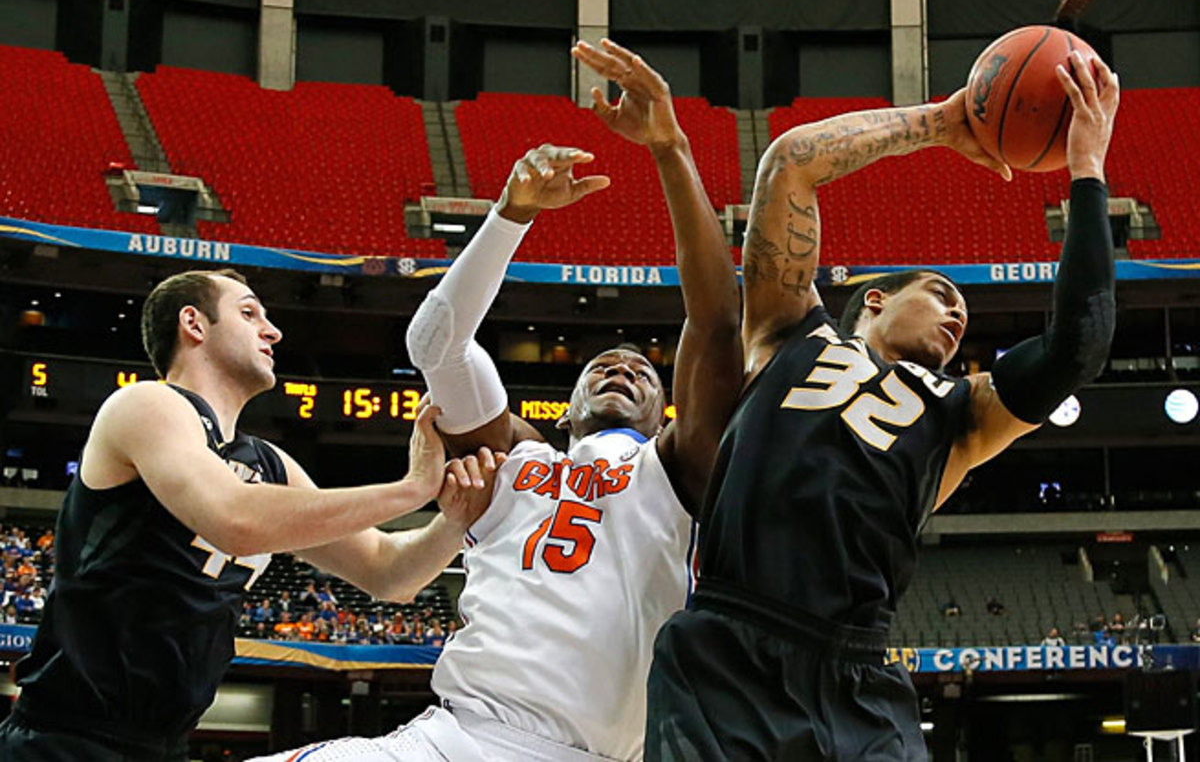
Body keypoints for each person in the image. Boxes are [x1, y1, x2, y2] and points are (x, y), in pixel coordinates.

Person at [255, 37, 743, 762]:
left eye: (641, 370)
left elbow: (714, 320)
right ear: (563, 410)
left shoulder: (681, 468)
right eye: (601, 365)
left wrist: (669, 146)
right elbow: (436, 345)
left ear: (666, 410)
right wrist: (510, 215)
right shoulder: (510, 462)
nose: (621, 368)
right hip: (461, 734)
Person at [645, 52, 1119, 760]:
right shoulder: (788, 333)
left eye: (963, 315)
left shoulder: (962, 414)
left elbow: (1079, 344)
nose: (959, 317)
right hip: (729, 647)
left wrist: (1087, 169)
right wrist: (941, 122)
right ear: (874, 298)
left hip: (859, 675)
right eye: (942, 295)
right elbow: (789, 166)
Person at [0, 267, 488, 761]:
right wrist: (410, 490)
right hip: (62, 740)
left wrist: (454, 517)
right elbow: (233, 519)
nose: (272, 330)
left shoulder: (269, 463)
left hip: (160, 746)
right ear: (194, 324)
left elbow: (390, 572)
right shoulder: (147, 403)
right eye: (249, 313)